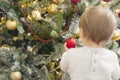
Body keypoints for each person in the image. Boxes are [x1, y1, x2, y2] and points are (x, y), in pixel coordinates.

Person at [60, 6, 120, 80]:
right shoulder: (111, 57)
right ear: (108, 39)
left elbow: (63, 67)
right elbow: (116, 76)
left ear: (82, 33)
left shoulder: (71, 55)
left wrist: (67, 53)